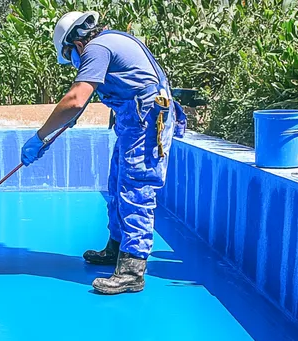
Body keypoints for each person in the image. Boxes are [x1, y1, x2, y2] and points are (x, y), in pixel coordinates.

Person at [20, 11, 179, 295]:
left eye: (70, 57)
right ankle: (116, 248)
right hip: (136, 120)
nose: (73, 64)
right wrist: (67, 119)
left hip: (146, 120)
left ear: (75, 44)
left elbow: (76, 98)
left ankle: (132, 270)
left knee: (135, 189)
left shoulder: (95, 48)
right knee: (118, 185)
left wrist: (39, 137)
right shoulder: (108, 42)